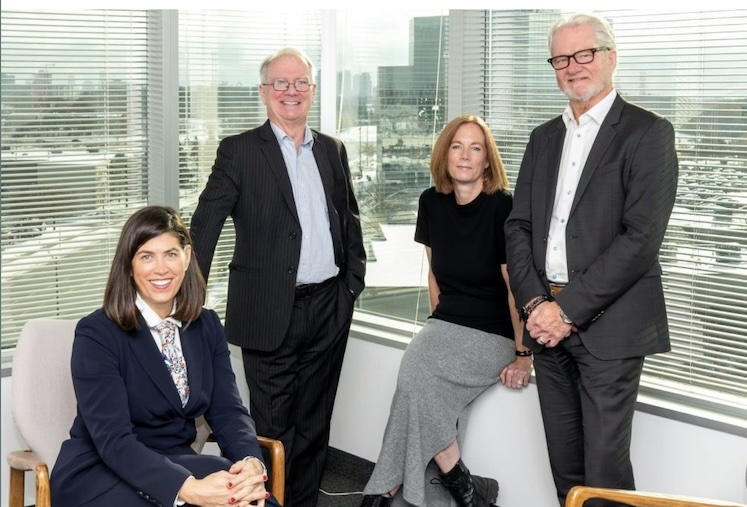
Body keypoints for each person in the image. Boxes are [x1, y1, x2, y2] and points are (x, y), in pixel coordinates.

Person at [504, 12, 679, 507]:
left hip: (609, 325)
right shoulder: (543, 138)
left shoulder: (648, 133)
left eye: (585, 53)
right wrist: (537, 305)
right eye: (561, 58)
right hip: (544, 322)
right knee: (565, 469)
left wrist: (565, 311)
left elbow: (640, 239)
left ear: (611, 58)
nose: (573, 66)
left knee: (605, 473)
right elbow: (518, 227)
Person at [189, 47, 366, 507]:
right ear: (264, 92)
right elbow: (206, 224)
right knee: (271, 431)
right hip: (267, 309)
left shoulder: (331, 149)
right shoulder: (240, 151)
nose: (291, 91)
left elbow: (348, 221)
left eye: (300, 82)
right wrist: (187, 298)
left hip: (328, 306)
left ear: (312, 90)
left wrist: (350, 288)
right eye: (281, 83)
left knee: (314, 424)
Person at [50, 206, 279, 507]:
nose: (161, 269)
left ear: (186, 257)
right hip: (100, 472)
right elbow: (114, 440)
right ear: (129, 264)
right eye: (146, 256)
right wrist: (189, 489)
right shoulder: (97, 333)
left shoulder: (206, 325)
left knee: (253, 498)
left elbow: (228, 411)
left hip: (176, 461)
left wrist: (250, 462)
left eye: (170, 254)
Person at [360, 114, 532, 507]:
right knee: (419, 381)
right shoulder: (431, 202)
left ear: (487, 160)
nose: (465, 155)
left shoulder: (503, 207)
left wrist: (523, 354)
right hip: (446, 322)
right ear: (445, 155)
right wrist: (435, 332)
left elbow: (514, 288)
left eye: (476, 148)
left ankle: (383, 491)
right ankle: (463, 486)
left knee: (414, 383)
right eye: (457, 146)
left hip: (492, 332)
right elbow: (435, 274)